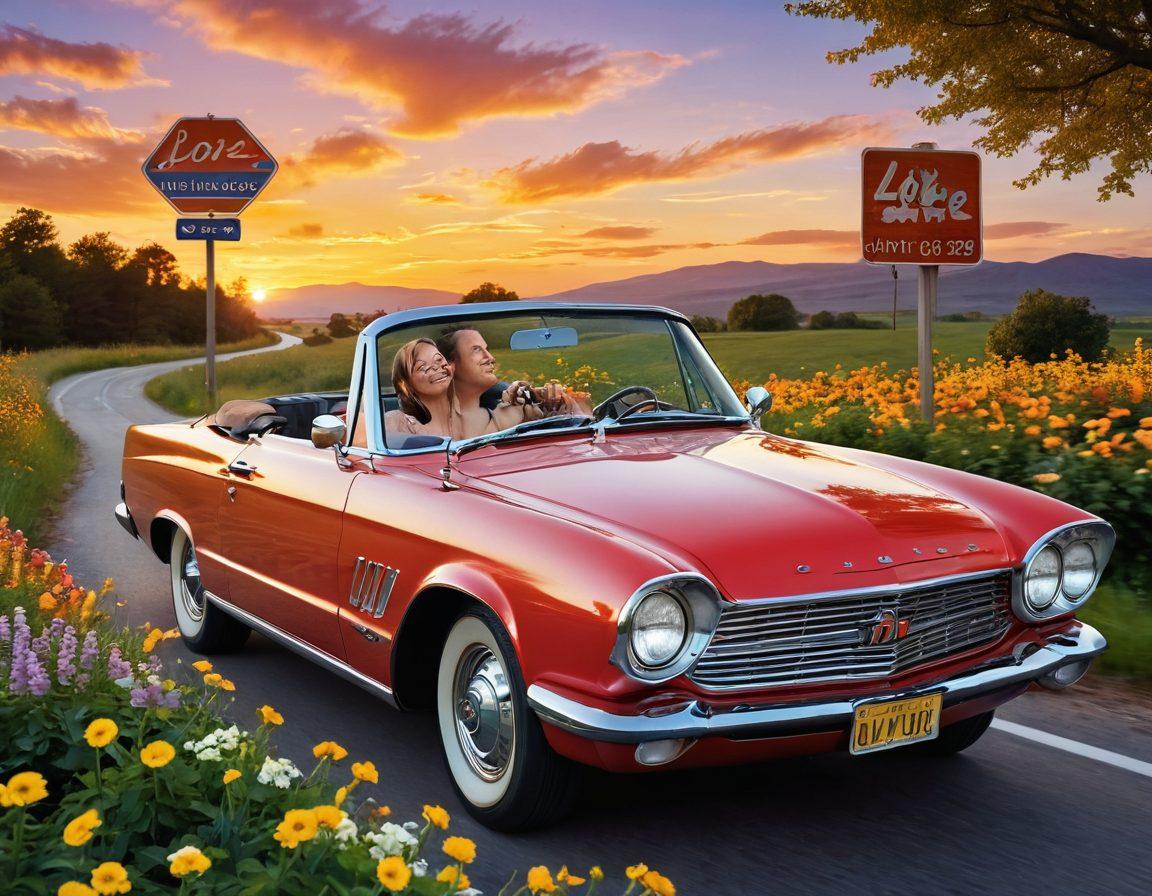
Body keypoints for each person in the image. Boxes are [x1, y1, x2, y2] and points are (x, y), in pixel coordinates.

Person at [436, 327, 589, 439]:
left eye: (486, 349)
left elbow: (582, 424)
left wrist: (554, 403)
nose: (490, 358)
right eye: (476, 350)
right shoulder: (434, 421)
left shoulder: (503, 397)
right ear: (451, 365)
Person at [381, 338, 458, 443]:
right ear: (405, 384)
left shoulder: (472, 410)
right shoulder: (395, 421)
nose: (436, 367)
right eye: (422, 367)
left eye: (439, 360)